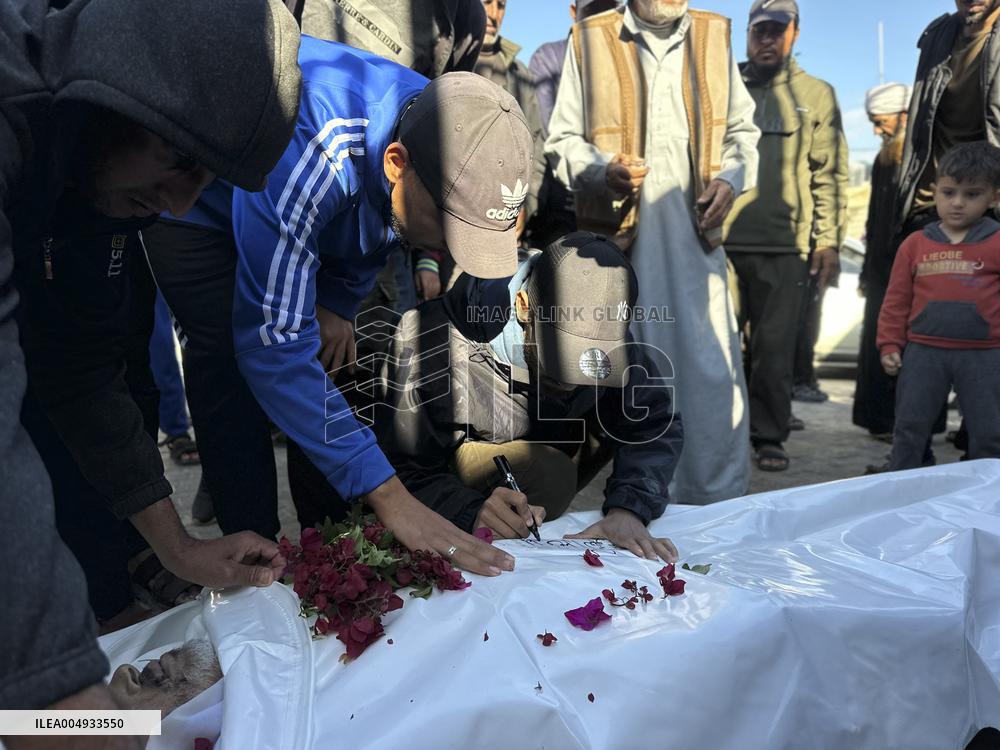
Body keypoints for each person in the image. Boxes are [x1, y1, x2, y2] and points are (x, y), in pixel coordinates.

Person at [0, 0, 301, 742]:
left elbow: (79, 371)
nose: (178, 205)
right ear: (122, 82)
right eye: (182, 163)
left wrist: (180, 550)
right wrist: (60, 687)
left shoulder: (97, 173)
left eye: (208, 184)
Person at [143, 40, 532, 577]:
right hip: (198, 204)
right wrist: (390, 495)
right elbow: (272, 343)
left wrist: (339, 299)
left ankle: (324, 536)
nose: (447, 247)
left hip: (310, 196)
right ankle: (250, 551)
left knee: (331, 350)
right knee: (232, 363)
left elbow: (383, 220)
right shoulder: (315, 148)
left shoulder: (456, 129)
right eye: (447, 229)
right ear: (398, 163)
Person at [545, 0, 760, 504]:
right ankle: (638, 500)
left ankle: (714, 502)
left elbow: (742, 135)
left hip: (697, 249)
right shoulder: (590, 37)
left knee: (710, 371)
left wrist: (731, 180)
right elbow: (561, 141)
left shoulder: (714, 35)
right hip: (619, 249)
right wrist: (602, 170)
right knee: (634, 374)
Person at [376, 232, 682, 561]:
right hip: (446, 470)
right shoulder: (433, 343)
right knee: (552, 477)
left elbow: (653, 422)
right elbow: (396, 471)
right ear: (523, 307)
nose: (574, 379)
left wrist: (629, 509)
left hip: (542, 451)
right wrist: (471, 510)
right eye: (565, 355)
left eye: (594, 359)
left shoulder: (601, 327)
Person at [722, 0, 849, 472]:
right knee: (716, 350)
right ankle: (717, 433)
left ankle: (768, 436)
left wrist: (828, 240)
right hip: (720, 242)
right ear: (748, 34)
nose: (767, 39)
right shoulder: (723, 82)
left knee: (774, 353)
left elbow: (829, 174)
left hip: (786, 247)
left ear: (795, 32)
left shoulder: (816, 93)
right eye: (759, 31)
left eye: (777, 30)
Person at [877, 141, 1000, 470]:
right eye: (949, 192)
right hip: (923, 352)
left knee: (989, 435)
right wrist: (889, 343)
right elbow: (896, 300)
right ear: (934, 191)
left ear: (994, 197)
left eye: (972, 194)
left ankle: (987, 503)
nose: (957, 203)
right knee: (909, 430)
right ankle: (902, 492)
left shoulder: (997, 242)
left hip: (985, 354)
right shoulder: (915, 244)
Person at [527, 0, 618, 249]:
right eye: (592, 11)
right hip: (560, 210)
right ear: (573, 12)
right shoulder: (549, 59)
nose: (602, 19)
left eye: (609, 11)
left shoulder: (626, 65)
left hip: (614, 212)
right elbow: (550, 134)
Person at [853, 83, 912, 440]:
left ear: (904, 115)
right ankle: (879, 420)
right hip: (878, 269)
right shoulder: (883, 158)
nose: (877, 130)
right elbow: (874, 219)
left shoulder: (921, 156)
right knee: (877, 341)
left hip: (906, 269)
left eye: (881, 121)